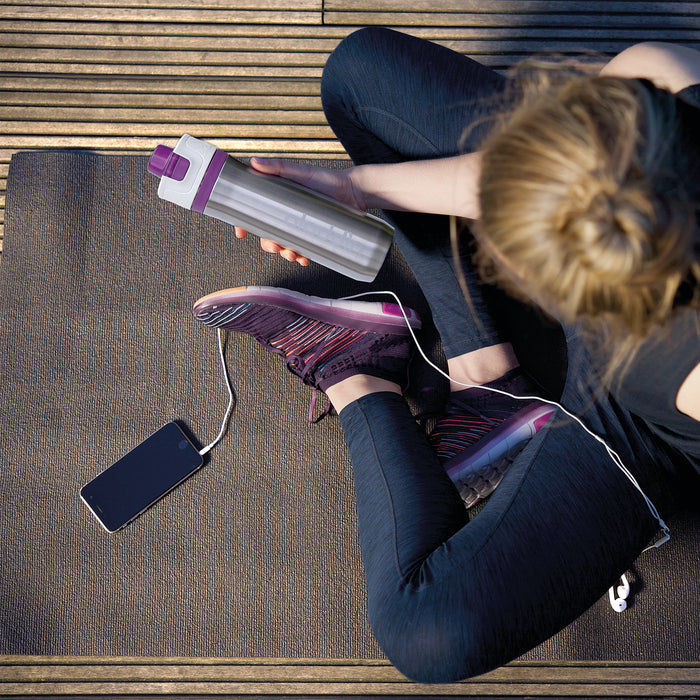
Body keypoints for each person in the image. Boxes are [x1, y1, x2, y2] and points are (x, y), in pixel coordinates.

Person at [194, 30, 700, 682]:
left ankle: (357, 371)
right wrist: (350, 189)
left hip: (648, 422)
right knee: (359, 74)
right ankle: (483, 378)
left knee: (423, 629)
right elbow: (504, 176)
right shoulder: (660, 78)